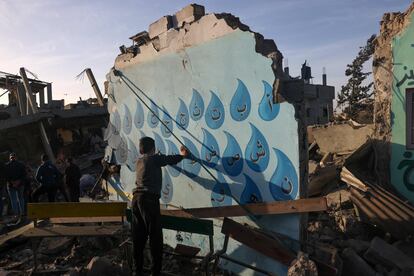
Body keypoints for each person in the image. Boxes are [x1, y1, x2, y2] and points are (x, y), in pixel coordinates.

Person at [132, 137, 188, 276]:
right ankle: (155, 272)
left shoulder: (139, 162)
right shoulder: (153, 159)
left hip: (136, 200)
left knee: (139, 239)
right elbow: (169, 159)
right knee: (155, 238)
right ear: (153, 149)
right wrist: (182, 156)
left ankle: (137, 271)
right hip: (149, 201)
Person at [5, 153, 26, 218]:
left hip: (11, 185)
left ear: (10, 158)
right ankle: (22, 212)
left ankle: (16, 214)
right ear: (16, 157)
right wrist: (18, 181)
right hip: (20, 184)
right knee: (21, 198)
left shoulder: (7, 165)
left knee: (13, 200)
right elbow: (24, 175)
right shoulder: (21, 164)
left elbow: (6, 176)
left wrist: (12, 182)